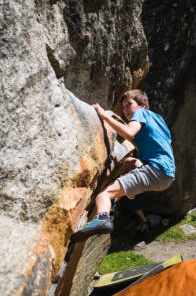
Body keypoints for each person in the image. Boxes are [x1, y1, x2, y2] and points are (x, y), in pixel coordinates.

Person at [71, 89, 175, 242]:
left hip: (155, 170)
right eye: (123, 107)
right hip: (166, 175)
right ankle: (113, 203)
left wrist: (104, 115)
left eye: (129, 105)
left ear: (143, 105)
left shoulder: (140, 113)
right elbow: (141, 143)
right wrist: (121, 123)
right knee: (129, 163)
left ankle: (102, 218)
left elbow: (130, 133)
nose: (126, 110)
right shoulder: (158, 119)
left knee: (103, 195)